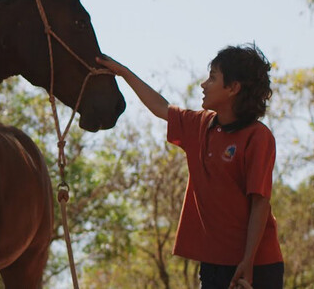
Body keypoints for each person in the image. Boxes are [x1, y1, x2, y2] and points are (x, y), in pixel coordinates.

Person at [96, 44, 284, 289]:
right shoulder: (199, 124)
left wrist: (248, 262)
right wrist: (123, 72)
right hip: (213, 262)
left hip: (257, 264)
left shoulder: (258, 137)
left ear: (233, 88)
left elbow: (260, 202)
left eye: (213, 77)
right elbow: (161, 108)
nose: (204, 84)